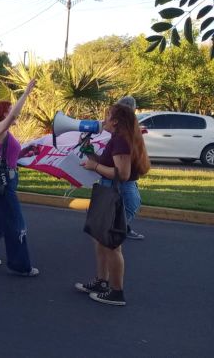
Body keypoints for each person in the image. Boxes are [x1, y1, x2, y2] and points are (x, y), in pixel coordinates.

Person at [75, 103, 150, 306]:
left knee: (112, 244)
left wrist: (95, 165)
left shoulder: (121, 141)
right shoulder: (117, 139)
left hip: (120, 193)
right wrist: (89, 151)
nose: (104, 119)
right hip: (110, 190)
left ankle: (116, 292)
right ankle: (101, 282)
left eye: (108, 115)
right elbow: (108, 166)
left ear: (116, 121)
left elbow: (123, 175)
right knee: (100, 239)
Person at [0, 78, 40, 277]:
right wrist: (27, 92)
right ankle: (20, 265)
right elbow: (15, 114)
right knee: (16, 223)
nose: (14, 112)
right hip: (4, 184)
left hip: (6, 180)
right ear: (4, 113)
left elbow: (8, 157)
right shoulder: (0, 130)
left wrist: (25, 152)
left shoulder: (6, 134)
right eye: (10, 110)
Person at [114, 95, 145, 240]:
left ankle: (120, 229)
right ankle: (117, 230)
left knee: (125, 204)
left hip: (130, 174)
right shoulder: (121, 131)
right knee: (132, 204)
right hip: (126, 176)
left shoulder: (124, 128)